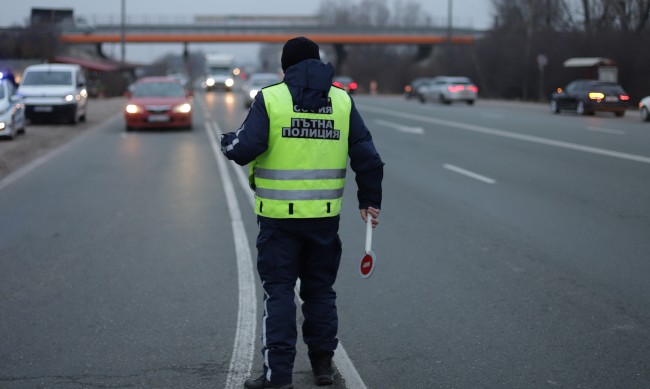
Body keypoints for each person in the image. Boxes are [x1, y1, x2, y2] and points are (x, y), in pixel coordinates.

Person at [221, 36, 384, 389]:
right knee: (320, 291)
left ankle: (278, 377)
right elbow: (368, 156)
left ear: (285, 68)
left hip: (279, 220)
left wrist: (227, 141)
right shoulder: (341, 100)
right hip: (324, 219)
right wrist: (369, 200)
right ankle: (323, 368)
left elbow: (246, 147)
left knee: (279, 292)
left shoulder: (271, 98)